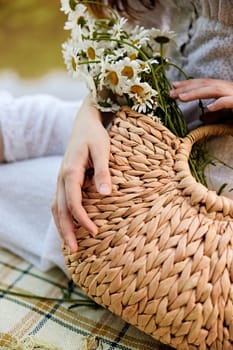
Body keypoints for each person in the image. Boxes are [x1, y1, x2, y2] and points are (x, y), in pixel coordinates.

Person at [0, 0, 233, 274]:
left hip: (207, 180)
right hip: (153, 121)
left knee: (29, 189)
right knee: (25, 120)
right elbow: (134, 56)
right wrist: (90, 113)